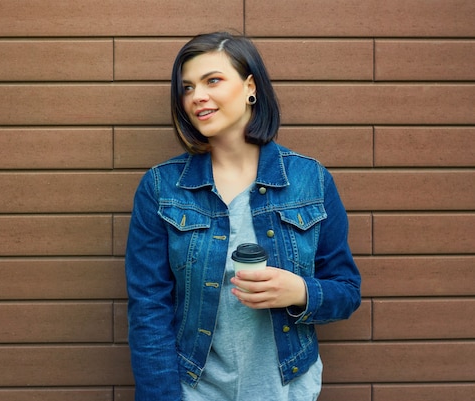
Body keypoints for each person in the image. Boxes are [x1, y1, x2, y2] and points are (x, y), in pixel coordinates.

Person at [125, 31, 361, 401]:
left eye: (212, 80)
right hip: (193, 389)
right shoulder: (161, 187)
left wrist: (299, 291)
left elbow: (346, 291)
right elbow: (148, 309)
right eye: (186, 88)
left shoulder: (309, 180)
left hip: (287, 387)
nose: (196, 96)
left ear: (250, 87)